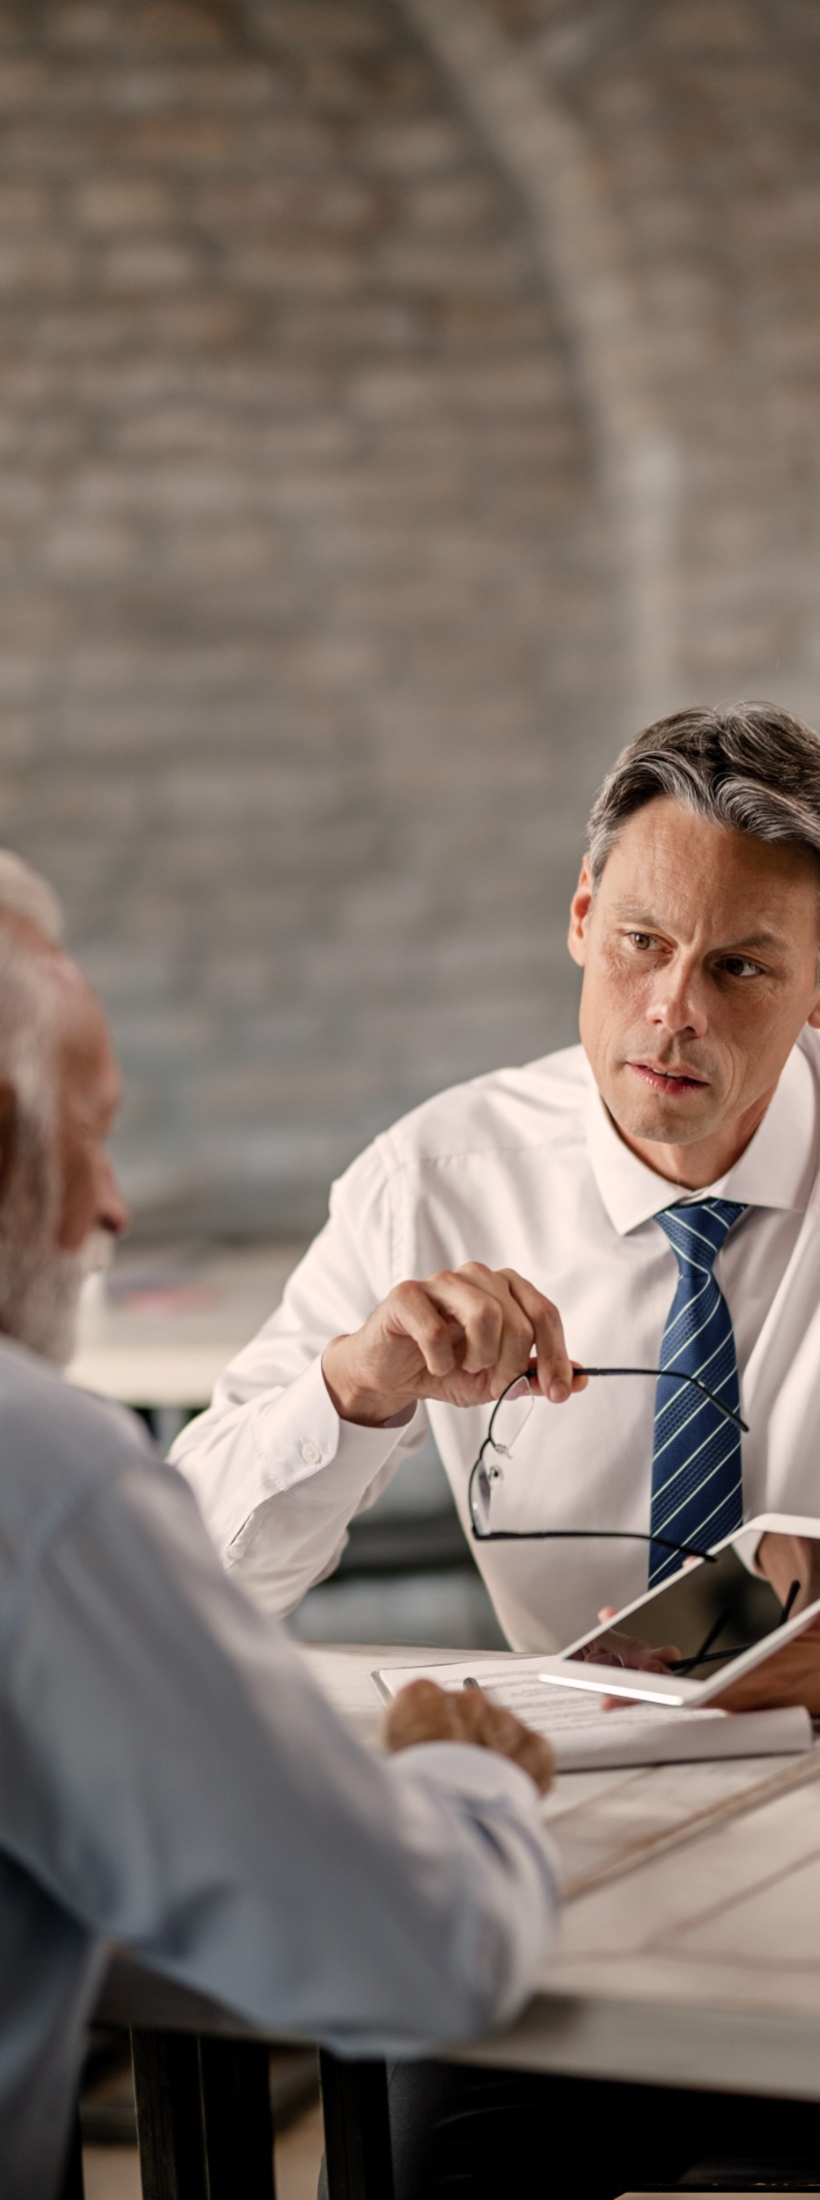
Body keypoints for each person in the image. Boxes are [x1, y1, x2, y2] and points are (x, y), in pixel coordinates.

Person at [173, 703, 820, 1718]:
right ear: (581, 918)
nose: (674, 1010)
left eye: (739, 967)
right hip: (580, 1787)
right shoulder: (428, 1182)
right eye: (641, 941)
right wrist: (352, 1391)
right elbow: (181, 1582)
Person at [0, 864, 557, 2200]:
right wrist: (466, 1777)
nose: (114, 1206)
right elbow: (413, 1952)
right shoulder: (43, 1475)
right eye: (90, 1136)